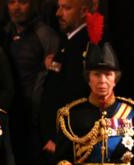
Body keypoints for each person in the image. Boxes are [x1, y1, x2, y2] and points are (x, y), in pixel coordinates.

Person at [3, 0, 60, 165]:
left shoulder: (45, 35)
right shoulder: (4, 33)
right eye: (12, 2)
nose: (17, 7)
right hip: (10, 118)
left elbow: (56, 77)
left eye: (23, 2)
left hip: (35, 122)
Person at [40, 0, 94, 154]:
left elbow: (76, 97)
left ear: (83, 11)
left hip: (69, 141)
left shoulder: (86, 45)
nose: (58, 13)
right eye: (59, 7)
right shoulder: (68, 42)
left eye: (66, 8)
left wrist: (59, 139)